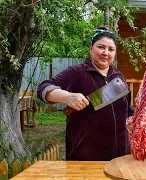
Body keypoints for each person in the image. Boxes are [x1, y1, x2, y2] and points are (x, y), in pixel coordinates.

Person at [37, 27, 134, 161]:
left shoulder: (118, 77)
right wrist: (67, 97)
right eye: (101, 47)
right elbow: (43, 88)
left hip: (121, 156)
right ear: (91, 48)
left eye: (111, 49)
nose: (106, 53)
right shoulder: (76, 73)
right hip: (86, 156)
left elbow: (128, 111)